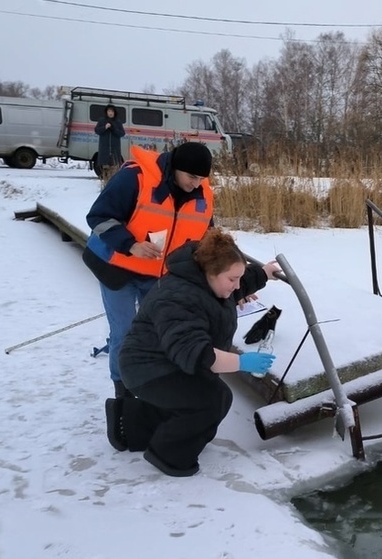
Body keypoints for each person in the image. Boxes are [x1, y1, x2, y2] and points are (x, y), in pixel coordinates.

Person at [107, 228, 280, 477]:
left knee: (202, 395)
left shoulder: (208, 282)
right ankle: (169, 456)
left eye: (239, 278)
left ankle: (131, 423)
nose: (238, 286)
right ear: (210, 273)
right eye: (232, 279)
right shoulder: (178, 298)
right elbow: (197, 354)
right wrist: (242, 361)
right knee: (211, 399)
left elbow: (234, 287)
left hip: (170, 361)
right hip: (147, 368)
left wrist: (264, 273)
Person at [82, 142, 215, 410]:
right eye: (191, 177)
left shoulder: (202, 194)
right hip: (116, 268)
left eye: (202, 178)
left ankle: (152, 384)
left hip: (158, 276)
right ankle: (124, 393)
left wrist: (231, 278)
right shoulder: (135, 177)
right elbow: (99, 216)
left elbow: (207, 240)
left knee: (157, 331)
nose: (196, 184)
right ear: (176, 169)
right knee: (124, 332)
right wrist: (131, 244)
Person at [94, 104, 125, 177]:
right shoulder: (102, 120)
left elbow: (122, 133)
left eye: (112, 111)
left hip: (115, 150)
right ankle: (105, 182)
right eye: (109, 111)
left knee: (114, 169)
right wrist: (104, 127)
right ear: (106, 112)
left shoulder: (118, 122)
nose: (110, 113)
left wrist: (114, 129)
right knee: (105, 169)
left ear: (114, 113)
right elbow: (97, 131)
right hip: (104, 150)